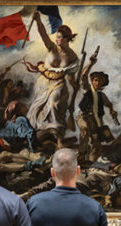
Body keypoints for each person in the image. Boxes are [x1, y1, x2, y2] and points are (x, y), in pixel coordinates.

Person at [25, 12, 79, 147]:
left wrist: (74, 85)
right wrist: (38, 21)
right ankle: (40, 136)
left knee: (54, 105)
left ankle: (59, 139)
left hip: (59, 83)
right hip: (43, 82)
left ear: (67, 39)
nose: (57, 40)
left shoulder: (72, 56)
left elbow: (70, 75)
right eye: (57, 37)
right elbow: (43, 34)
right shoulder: (52, 47)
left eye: (60, 38)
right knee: (37, 109)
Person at [76, 54, 118, 162]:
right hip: (83, 117)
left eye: (100, 81)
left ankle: (92, 161)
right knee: (84, 131)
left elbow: (109, 104)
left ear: (103, 84)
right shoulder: (87, 90)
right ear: (92, 81)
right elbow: (83, 76)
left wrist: (112, 111)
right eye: (96, 80)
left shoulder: (101, 96)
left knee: (96, 142)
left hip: (96, 121)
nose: (97, 83)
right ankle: (81, 154)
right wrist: (91, 63)